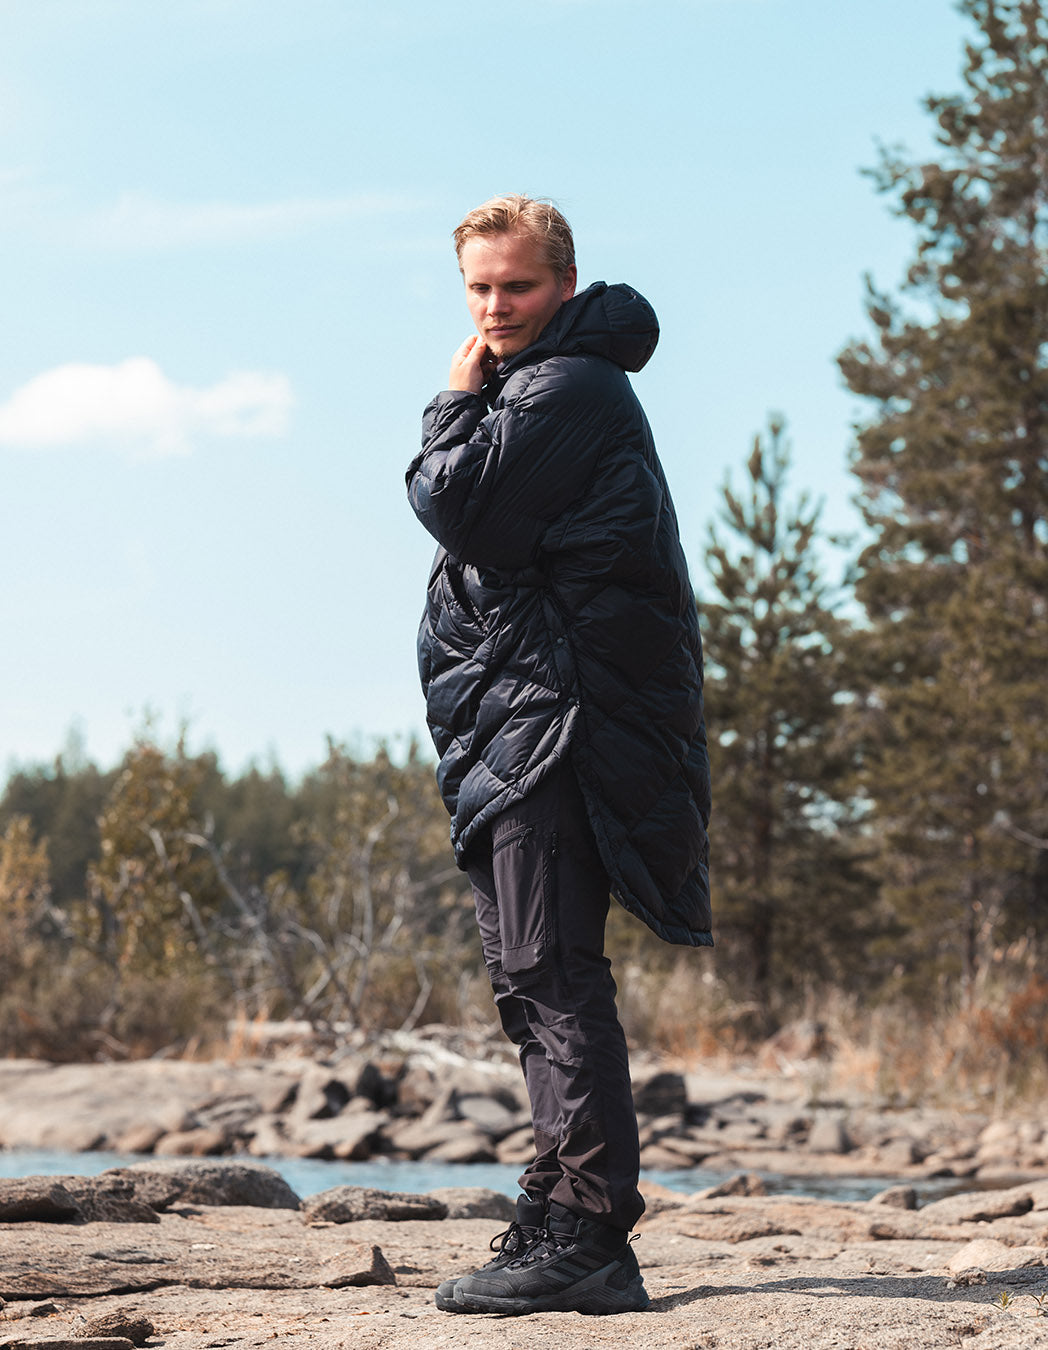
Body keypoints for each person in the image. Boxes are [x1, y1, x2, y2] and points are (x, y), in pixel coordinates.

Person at [405, 194, 711, 1316]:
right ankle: (556, 1209)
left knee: (553, 971)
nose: (495, 308)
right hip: (518, 717)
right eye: (479, 289)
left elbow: (460, 508)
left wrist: (450, 401)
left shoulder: (570, 385)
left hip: (557, 721)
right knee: (527, 978)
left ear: (565, 286)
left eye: (518, 286)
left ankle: (588, 1238)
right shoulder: (533, 385)